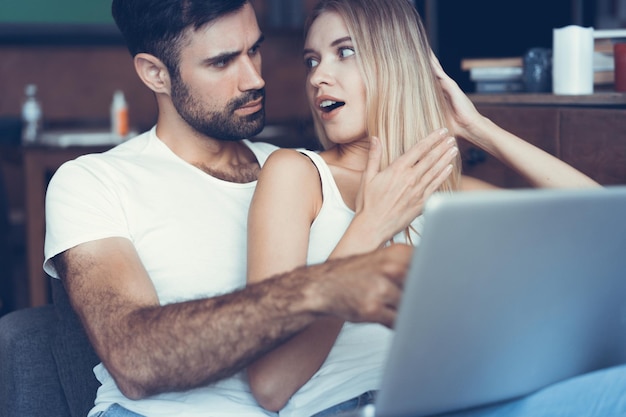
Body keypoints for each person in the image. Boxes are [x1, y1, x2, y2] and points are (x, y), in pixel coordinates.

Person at [42, 1, 447, 416]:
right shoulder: (93, 181)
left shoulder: (302, 169)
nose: (254, 78)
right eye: (222, 62)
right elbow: (135, 359)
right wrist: (325, 286)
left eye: (254, 49)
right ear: (155, 73)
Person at [245, 0, 603, 416]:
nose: (318, 77)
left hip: (461, 399)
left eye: (345, 52)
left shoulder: (445, 192)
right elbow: (271, 384)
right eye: (312, 60)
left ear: (396, 64)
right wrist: (370, 226)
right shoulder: (297, 175)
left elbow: (604, 227)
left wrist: (477, 128)